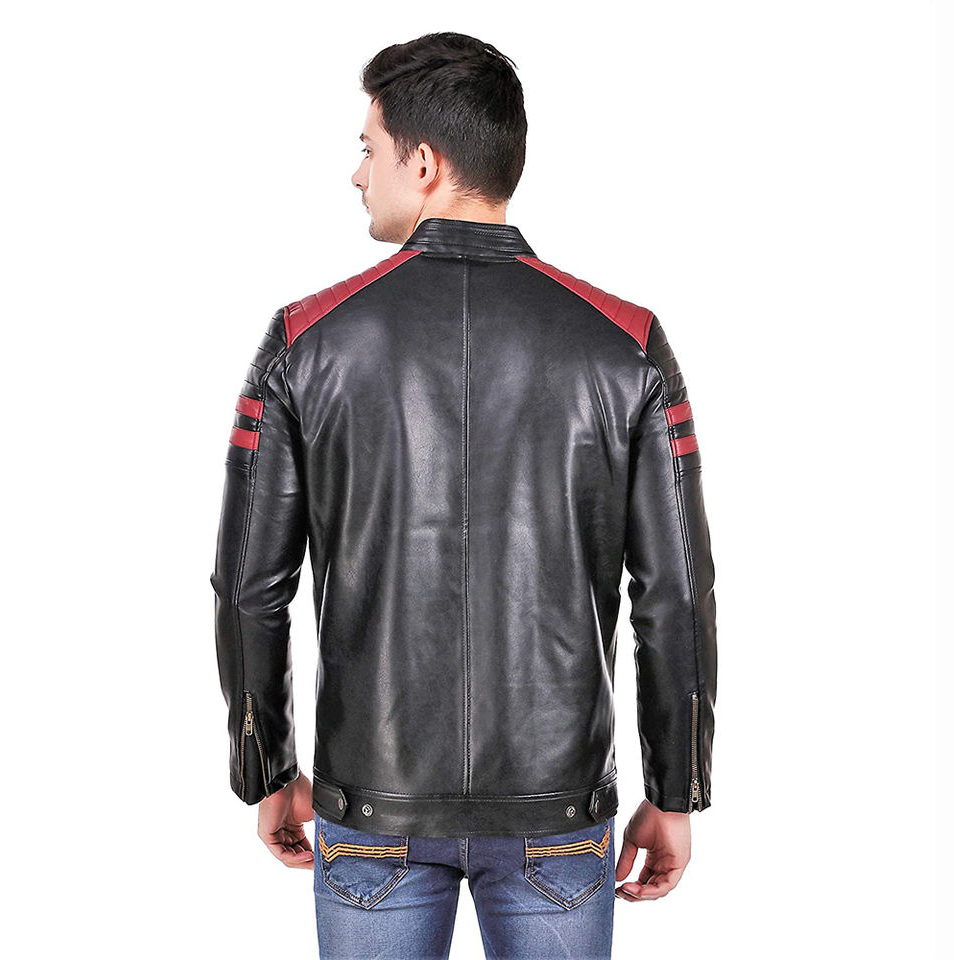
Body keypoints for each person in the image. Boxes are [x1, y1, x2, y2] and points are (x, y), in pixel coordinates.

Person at [210, 31, 717, 960]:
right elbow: (676, 594)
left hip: (372, 804)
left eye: (367, 147)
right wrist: (675, 790)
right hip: (558, 809)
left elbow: (251, 588)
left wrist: (267, 769)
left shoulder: (303, 340)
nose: (356, 174)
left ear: (425, 163)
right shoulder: (628, 343)